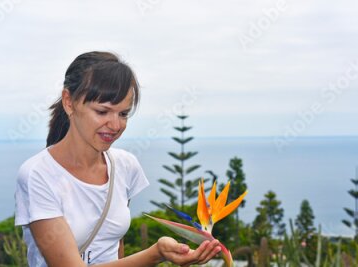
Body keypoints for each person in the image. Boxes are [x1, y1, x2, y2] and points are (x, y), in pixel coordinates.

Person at [14, 51, 221, 267]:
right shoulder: (38, 175)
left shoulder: (125, 166)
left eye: (123, 114)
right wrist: (156, 253)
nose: (115, 125)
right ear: (69, 102)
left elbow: (114, 245)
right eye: (102, 112)